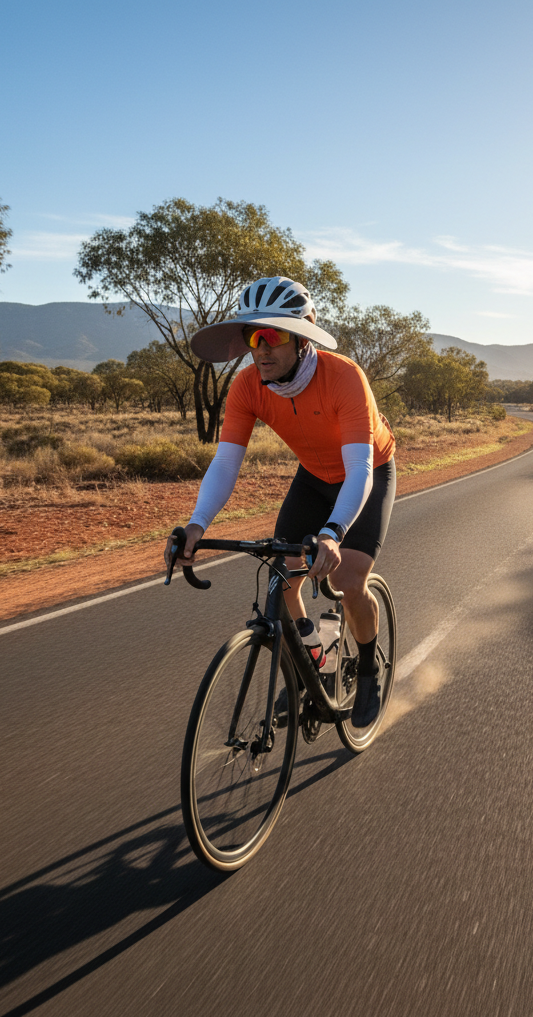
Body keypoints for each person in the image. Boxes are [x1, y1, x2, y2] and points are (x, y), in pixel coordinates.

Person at [164, 276, 396, 727]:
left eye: (275, 335)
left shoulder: (344, 376)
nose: (263, 348)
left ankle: (367, 669)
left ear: (304, 335)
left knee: (349, 578)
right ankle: (315, 661)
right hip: (313, 476)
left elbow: (360, 471)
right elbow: (226, 463)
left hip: (365, 472)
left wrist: (332, 533)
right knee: (280, 575)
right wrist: (196, 525)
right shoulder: (247, 386)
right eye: (254, 336)